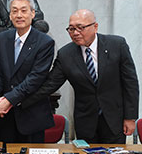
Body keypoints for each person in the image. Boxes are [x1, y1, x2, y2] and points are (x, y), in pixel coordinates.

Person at [22, 9, 139, 144]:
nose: (75, 33)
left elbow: (130, 83)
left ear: (95, 27)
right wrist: (18, 101)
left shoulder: (117, 45)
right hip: (86, 121)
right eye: (71, 29)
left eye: (80, 28)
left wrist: (130, 118)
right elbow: (49, 85)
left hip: (115, 119)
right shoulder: (66, 54)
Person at [0, 0, 55, 145]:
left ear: (33, 13)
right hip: (6, 117)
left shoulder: (45, 42)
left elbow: (35, 78)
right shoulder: (2, 38)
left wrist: (9, 100)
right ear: (10, 15)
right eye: (14, 11)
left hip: (32, 115)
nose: (19, 15)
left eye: (24, 10)